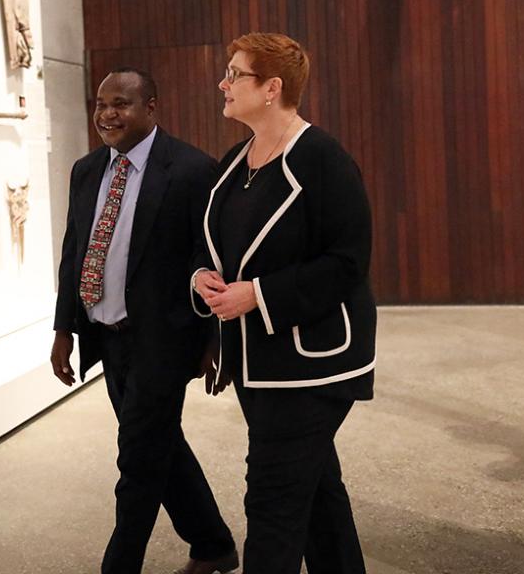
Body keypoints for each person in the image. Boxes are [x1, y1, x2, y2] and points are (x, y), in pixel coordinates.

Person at [192, 32, 376, 574]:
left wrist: (259, 295)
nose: (223, 83)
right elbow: (211, 243)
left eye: (235, 74)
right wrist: (203, 275)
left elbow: (348, 263)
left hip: (312, 365)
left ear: (272, 88)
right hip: (257, 363)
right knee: (317, 493)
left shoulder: (324, 160)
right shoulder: (236, 159)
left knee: (272, 499)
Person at [51, 68, 238, 574]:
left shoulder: (194, 170)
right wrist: (64, 328)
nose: (108, 114)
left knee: (136, 459)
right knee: (158, 445)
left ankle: (121, 565)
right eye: (101, 104)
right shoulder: (86, 170)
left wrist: (214, 338)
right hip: (106, 335)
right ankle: (213, 544)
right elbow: (76, 251)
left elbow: (211, 260)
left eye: (121, 104)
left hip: (165, 339)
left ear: (150, 108)